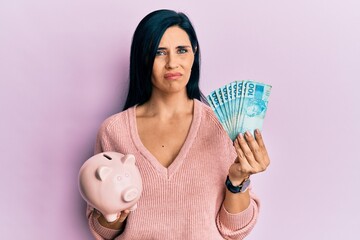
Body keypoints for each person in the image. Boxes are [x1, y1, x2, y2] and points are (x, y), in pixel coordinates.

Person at [86, 9, 270, 240]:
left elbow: (234, 229)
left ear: (194, 54)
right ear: (143, 58)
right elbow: (103, 230)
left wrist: (237, 180)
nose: (172, 63)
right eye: (159, 52)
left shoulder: (222, 127)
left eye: (181, 50)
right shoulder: (114, 132)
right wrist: (115, 215)